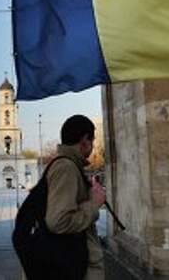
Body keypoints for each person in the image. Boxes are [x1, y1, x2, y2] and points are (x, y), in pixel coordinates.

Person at [45, 114, 106, 280]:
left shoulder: (68, 166)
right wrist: (94, 203)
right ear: (85, 140)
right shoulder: (66, 167)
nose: (93, 146)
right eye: (92, 140)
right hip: (72, 266)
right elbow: (58, 221)